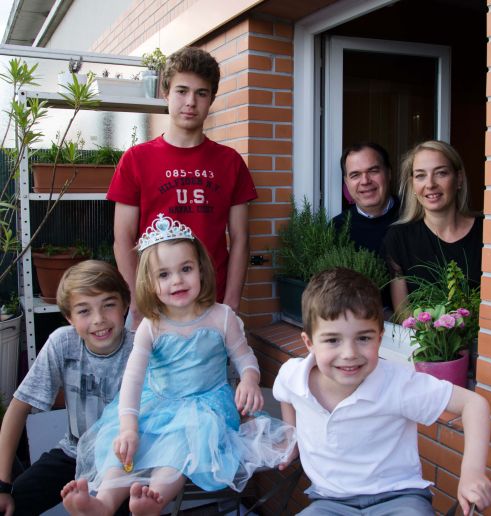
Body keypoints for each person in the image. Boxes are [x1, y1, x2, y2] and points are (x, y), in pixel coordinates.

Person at [62, 213, 295, 516]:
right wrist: (129, 426)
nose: (177, 280)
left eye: (185, 269)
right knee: (122, 447)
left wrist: (249, 379)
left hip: (205, 407)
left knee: (180, 448)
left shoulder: (222, 317)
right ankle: (103, 501)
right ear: (150, 282)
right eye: (164, 275)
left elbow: (244, 356)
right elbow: (132, 380)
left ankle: (154, 498)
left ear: (201, 268)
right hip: (156, 402)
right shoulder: (151, 326)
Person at [274, 268, 491, 516]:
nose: (349, 353)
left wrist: (472, 472)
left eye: (363, 338)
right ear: (309, 343)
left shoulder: (397, 383)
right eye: (333, 340)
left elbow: (473, 404)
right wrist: (292, 439)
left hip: (398, 499)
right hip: (330, 502)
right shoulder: (293, 375)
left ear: (380, 338)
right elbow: (285, 394)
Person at [107, 47, 257, 328]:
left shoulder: (231, 162)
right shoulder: (136, 159)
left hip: (211, 302)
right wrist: (138, 303)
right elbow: (123, 239)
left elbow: (240, 240)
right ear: (166, 93)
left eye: (201, 93)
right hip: (154, 303)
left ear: (212, 99)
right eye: (182, 91)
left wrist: (232, 303)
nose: (191, 102)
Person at [0, 261, 133, 516]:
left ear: (125, 304)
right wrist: (2, 485)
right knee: (14, 502)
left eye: (109, 305)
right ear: (69, 317)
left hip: (125, 462)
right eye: (84, 311)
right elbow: (19, 406)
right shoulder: (63, 343)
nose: (99, 319)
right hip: (74, 451)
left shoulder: (140, 348)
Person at [383, 140, 483, 312]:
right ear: (413, 184)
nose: (430, 184)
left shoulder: (486, 233)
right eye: (420, 175)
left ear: (458, 179)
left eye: (441, 173)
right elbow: (403, 314)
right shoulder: (398, 238)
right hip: (423, 339)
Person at [332, 142, 401, 256]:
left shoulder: (414, 216)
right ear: (346, 182)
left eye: (373, 171)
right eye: (355, 175)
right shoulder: (336, 229)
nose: (365, 181)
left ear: (389, 173)